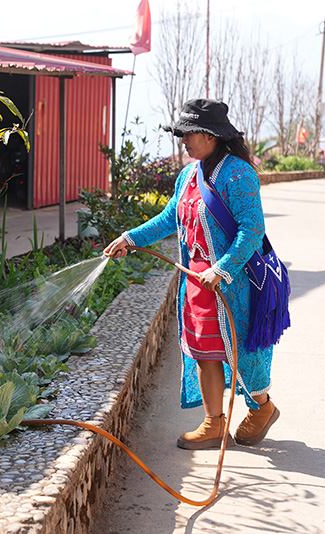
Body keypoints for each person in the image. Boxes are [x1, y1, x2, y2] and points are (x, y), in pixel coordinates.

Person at [104, 99, 280, 449]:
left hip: (233, 284)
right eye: (180, 133)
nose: (183, 139)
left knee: (243, 353)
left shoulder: (238, 175)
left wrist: (224, 268)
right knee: (204, 352)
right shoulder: (188, 175)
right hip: (196, 283)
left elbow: (252, 230)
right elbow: (170, 219)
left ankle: (262, 408)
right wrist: (130, 238)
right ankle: (214, 424)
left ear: (211, 136)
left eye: (189, 133)